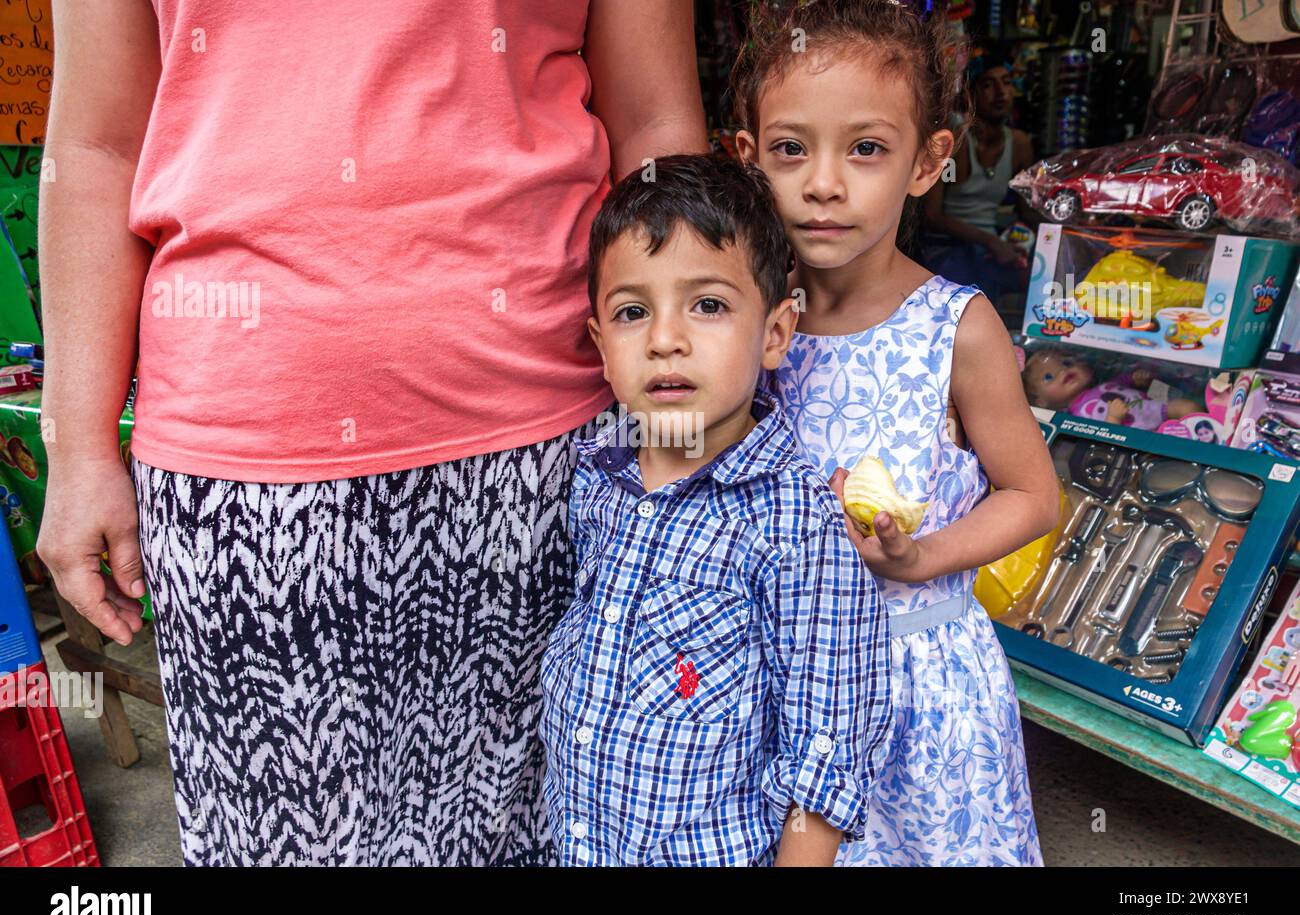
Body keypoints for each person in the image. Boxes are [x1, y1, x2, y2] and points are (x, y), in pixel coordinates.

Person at [39, 0, 707, 865]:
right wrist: (78, 446)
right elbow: (97, 144)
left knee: (543, 837)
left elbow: (652, 121)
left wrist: (691, 413)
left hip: (553, 447)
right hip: (245, 470)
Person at [734, 0, 1059, 865]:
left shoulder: (957, 328)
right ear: (748, 157)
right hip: (784, 689)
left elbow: (1034, 495)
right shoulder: (748, 333)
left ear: (928, 162)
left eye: (867, 148)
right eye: (790, 148)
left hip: (920, 691)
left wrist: (922, 556)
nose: (824, 182)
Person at [540, 154, 892, 866]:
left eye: (708, 305)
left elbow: (823, 755)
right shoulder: (594, 478)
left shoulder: (793, 523)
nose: (666, 339)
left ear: (775, 333)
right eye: (633, 312)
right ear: (603, 348)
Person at [921, 46, 1037, 306]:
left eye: (1006, 83)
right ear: (970, 95)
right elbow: (931, 216)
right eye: (988, 85)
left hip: (990, 249)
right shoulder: (955, 140)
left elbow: (1025, 211)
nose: (1001, 93)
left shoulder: (1019, 144)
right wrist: (990, 241)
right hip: (947, 248)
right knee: (970, 277)